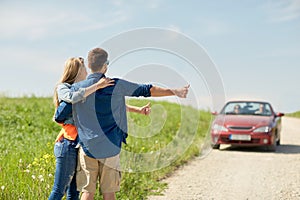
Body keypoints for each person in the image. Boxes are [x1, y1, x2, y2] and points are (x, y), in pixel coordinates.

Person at [70, 48, 190, 200]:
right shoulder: (115, 85)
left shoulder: (77, 89)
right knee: (109, 192)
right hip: (110, 146)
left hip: (87, 147)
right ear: (106, 65)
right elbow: (147, 90)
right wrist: (175, 91)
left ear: (88, 64)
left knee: (87, 192)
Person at [49, 57, 151, 200]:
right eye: (84, 68)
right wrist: (96, 86)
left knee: (74, 192)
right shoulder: (68, 88)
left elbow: (109, 106)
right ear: (77, 71)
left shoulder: (85, 89)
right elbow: (69, 101)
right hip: (68, 142)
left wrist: (137, 110)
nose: (87, 71)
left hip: (80, 142)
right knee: (59, 190)